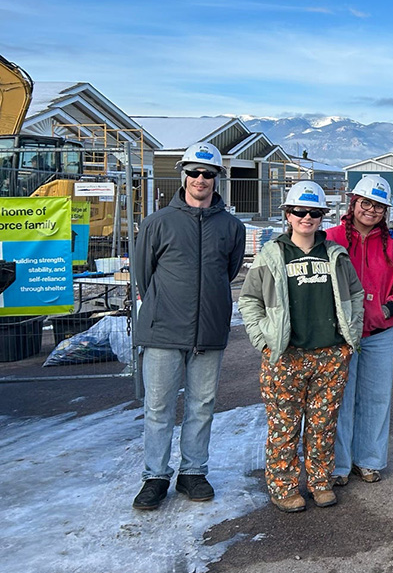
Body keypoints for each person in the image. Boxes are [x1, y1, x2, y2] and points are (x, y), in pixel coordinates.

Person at [131, 142, 246, 510]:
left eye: (208, 173)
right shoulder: (158, 223)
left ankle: (193, 472)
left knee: (202, 405)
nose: (200, 179)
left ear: (217, 178)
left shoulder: (231, 227)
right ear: (184, 175)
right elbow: (142, 275)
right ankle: (155, 476)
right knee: (158, 406)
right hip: (164, 330)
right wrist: (167, 306)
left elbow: (227, 272)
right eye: (194, 172)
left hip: (209, 332)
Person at [239, 181, 364, 512]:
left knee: (323, 424)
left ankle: (320, 482)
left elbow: (355, 295)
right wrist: (262, 339)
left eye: (314, 212)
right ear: (288, 214)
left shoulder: (335, 255)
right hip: (286, 355)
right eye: (299, 211)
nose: (306, 218)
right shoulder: (272, 255)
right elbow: (249, 300)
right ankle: (284, 487)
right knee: (285, 425)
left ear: (322, 216)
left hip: (329, 355)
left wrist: (350, 336)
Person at [328, 175, 393, 486]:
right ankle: (339, 465)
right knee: (340, 399)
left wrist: (390, 307)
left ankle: (368, 460)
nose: (372, 211)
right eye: (366, 203)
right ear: (353, 204)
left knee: (375, 398)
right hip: (340, 333)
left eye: (379, 206)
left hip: (379, 334)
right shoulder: (331, 239)